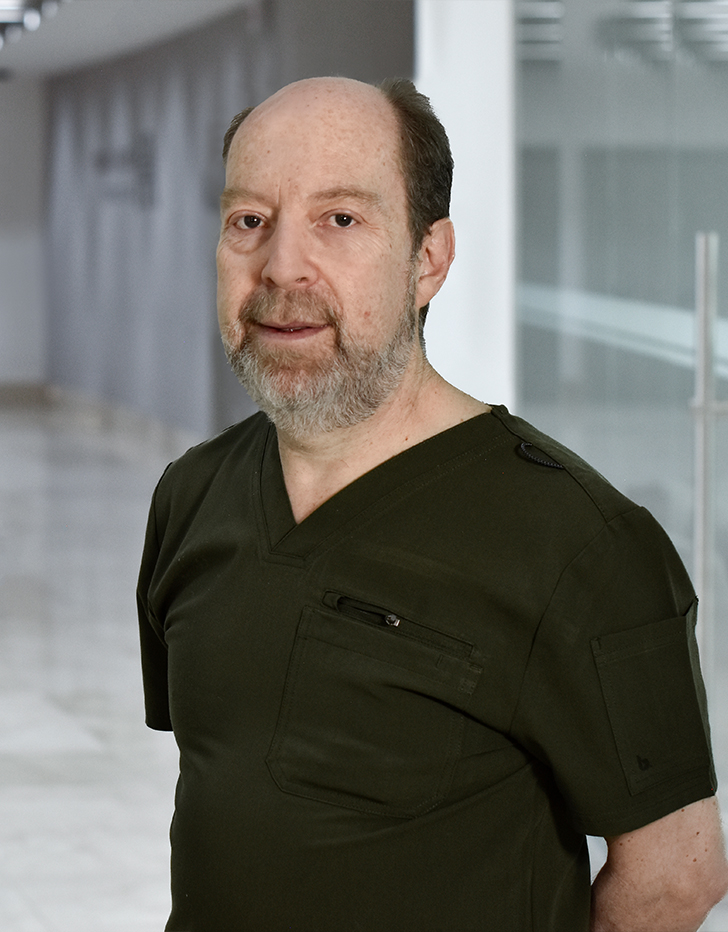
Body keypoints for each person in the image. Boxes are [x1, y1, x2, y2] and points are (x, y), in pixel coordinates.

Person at [137, 76, 728, 931]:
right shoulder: (191, 495)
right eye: (249, 220)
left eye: (341, 219)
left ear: (429, 260)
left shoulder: (583, 545)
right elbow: (237, 788)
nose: (281, 266)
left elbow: (677, 877)